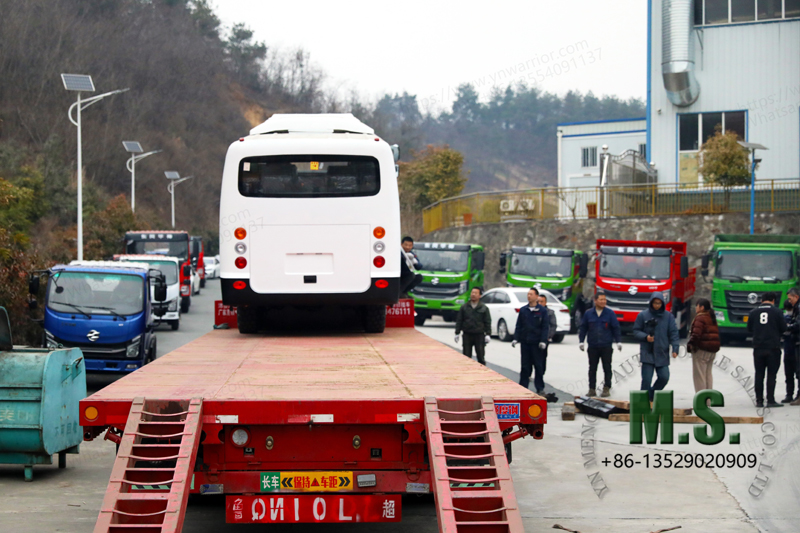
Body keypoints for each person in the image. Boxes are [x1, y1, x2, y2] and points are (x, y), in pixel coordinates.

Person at [633, 291, 680, 401]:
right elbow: (636, 331)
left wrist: (675, 348)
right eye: (655, 303)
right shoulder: (643, 315)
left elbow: (674, 333)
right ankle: (642, 401)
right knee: (646, 380)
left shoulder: (668, 317)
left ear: (662, 304)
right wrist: (646, 337)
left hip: (662, 352)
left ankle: (651, 394)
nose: (657, 305)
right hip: (647, 352)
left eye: (659, 303)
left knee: (664, 377)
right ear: (651, 303)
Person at [578, 292, 622, 398]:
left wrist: (618, 341)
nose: (603, 302)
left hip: (606, 345)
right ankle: (591, 389)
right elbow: (583, 328)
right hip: (593, 345)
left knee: (607, 367)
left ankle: (606, 388)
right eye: (601, 299)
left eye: (604, 300)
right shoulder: (589, 313)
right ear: (595, 300)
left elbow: (615, 328)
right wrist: (581, 341)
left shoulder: (610, 313)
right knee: (592, 368)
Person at [748, 292, 786, 408]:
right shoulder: (778, 312)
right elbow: (783, 328)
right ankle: (770, 399)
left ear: (761, 300)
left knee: (759, 374)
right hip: (773, 347)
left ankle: (759, 400)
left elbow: (749, 329)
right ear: (773, 300)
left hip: (758, 347)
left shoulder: (753, 312)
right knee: (771, 375)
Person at [511, 288, 549, 393]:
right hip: (525, 342)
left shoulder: (542, 311)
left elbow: (545, 327)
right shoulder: (523, 310)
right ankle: (523, 387)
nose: (529, 296)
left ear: (537, 296)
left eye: (531, 294)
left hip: (537, 343)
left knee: (538, 366)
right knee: (525, 366)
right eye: (528, 294)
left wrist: (543, 341)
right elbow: (519, 325)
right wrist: (516, 338)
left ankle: (540, 388)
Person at [686, 298, 721, 394]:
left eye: (697, 306)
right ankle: (708, 400)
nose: (695, 308)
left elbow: (696, 334)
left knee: (699, 377)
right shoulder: (711, 317)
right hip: (712, 350)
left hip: (701, 350)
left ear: (701, 307)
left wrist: (691, 345)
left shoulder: (700, 318)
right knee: (708, 375)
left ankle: (701, 401)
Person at [454, 287, 491, 365]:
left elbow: (487, 321)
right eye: (472, 293)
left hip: (479, 335)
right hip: (467, 334)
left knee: (480, 356)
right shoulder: (464, 307)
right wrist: (457, 333)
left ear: (480, 295)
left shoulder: (484, 308)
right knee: (466, 356)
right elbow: (459, 320)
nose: (473, 294)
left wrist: (488, 334)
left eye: (476, 293)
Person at [782, 288, 799, 403]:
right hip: (790, 347)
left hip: (795, 346)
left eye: (790, 298)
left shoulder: (798, 308)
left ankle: (796, 394)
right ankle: (790, 394)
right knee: (790, 373)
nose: (790, 301)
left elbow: (798, 325)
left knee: (797, 372)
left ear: (796, 296)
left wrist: (788, 327)